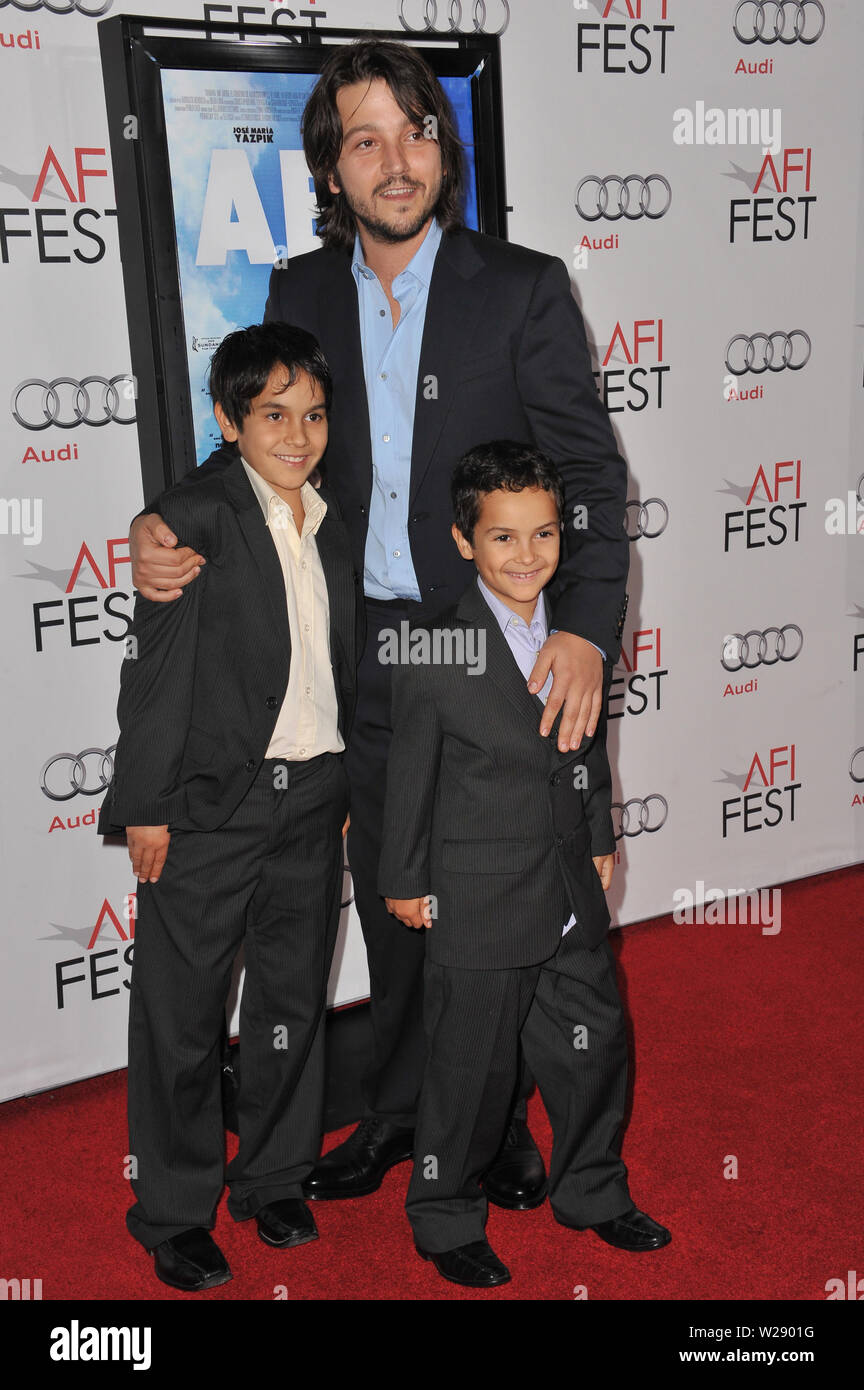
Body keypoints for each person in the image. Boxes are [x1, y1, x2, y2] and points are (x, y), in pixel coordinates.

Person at [128, 39, 630, 1211]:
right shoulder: (298, 292)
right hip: (358, 652)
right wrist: (167, 523)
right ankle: (409, 1113)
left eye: (415, 132)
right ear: (333, 168)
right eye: (366, 139)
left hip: (481, 650)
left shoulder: (522, 286)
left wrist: (589, 633)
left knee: (502, 892)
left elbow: (594, 479)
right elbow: (261, 450)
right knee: (398, 898)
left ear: (441, 150)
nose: (395, 160)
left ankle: (498, 1121)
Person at [99, 323, 360, 1291]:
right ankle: (172, 1210)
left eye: (313, 414)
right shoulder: (192, 518)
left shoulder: (340, 512)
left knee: (292, 1001)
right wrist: (148, 808)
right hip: (211, 807)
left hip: (314, 792)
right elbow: (155, 676)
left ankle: (276, 1176)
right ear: (227, 419)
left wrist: (342, 784)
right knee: (182, 1017)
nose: (296, 435)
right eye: (272, 415)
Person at [379, 442, 669, 1289]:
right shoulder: (433, 646)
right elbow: (409, 774)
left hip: (568, 883)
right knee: (471, 1071)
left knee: (593, 1045)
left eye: (543, 534)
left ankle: (592, 1191)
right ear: (466, 542)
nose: (527, 556)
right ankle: (441, 1215)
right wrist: (402, 878)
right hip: (476, 895)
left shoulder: (577, 632)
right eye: (504, 538)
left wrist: (600, 829)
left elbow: (584, 746)